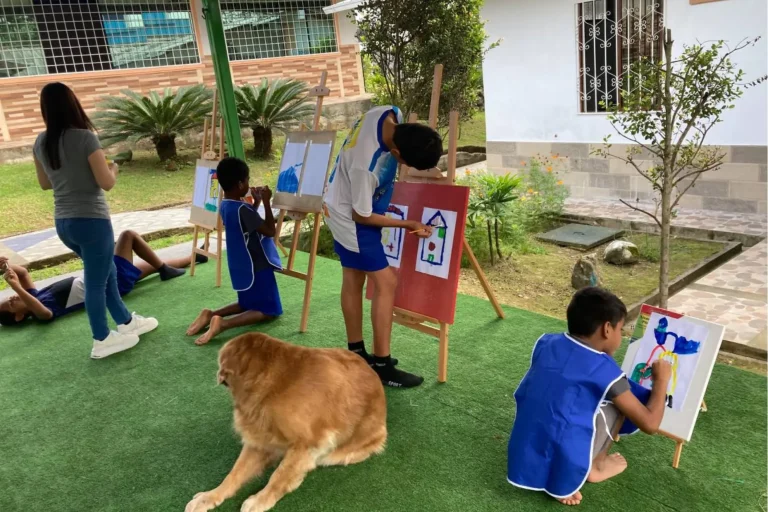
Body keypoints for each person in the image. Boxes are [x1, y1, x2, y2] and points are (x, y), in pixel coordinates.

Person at [507, 287, 672, 506]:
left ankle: (556, 472)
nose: (621, 338)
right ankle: (596, 465)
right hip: (563, 448)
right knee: (617, 403)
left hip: (526, 443)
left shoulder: (546, 342)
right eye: (620, 330)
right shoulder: (605, 371)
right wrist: (661, 380)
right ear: (606, 329)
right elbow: (650, 423)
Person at [32, 82, 157, 358]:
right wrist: (113, 168)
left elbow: (44, 183)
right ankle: (101, 339)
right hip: (92, 222)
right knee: (96, 280)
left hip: (64, 223)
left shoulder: (40, 142)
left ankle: (125, 321)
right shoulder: (85, 138)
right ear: (72, 104)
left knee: (106, 271)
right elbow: (106, 183)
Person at [322, 105, 443, 388]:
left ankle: (357, 354)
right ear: (397, 154)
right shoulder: (366, 165)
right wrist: (408, 223)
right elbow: (361, 215)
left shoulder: (389, 113)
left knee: (353, 276)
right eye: (405, 164)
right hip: (349, 216)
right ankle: (381, 363)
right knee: (386, 282)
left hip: (340, 201)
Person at [0, 230, 206, 333]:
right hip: (109, 283)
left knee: (152, 265)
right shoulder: (39, 312)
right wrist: (14, 285)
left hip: (103, 277)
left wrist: (4, 269)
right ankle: (165, 270)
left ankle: (195, 257)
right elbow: (45, 314)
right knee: (128, 236)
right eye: (11, 303)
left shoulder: (34, 296)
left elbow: (24, 274)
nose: (13, 297)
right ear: (18, 317)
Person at [186, 158, 282, 345]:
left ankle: (211, 314)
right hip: (257, 265)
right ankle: (223, 323)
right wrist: (267, 203)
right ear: (239, 184)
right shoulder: (244, 209)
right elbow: (270, 231)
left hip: (241, 264)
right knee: (269, 311)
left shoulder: (226, 205)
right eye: (246, 180)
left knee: (246, 303)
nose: (248, 183)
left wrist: (255, 203)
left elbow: (246, 223)